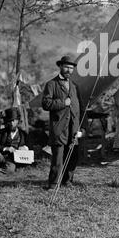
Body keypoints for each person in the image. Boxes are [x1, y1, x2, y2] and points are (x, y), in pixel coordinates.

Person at [42, 55, 87, 190]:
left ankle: (67, 181)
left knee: (72, 156)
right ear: (60, 67)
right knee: (58, 159)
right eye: (66, 67)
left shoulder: (74, 86)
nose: (69, 70)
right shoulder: (51, 84)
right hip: (59, 128)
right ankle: (53, 184)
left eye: (71, 68)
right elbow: (45, 103)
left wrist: (82, 128)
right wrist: (63, 103)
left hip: (73, 129)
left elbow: (81, 108)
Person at [0, 108, 27, 173]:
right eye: (10, 121)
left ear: (17, 121)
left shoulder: (23, 134)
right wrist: (5, 148)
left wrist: (25, 148)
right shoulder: (2, 132)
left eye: (14, 120)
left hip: (12, 159)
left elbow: (28, 146)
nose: (12, 123)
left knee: (10, 169)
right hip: (1, 156)